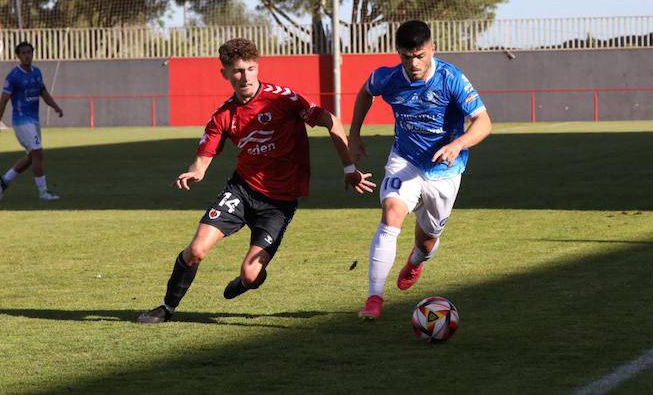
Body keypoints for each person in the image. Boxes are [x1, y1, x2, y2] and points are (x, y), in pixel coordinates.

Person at [138, 38, 375, 324]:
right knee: (197, 249)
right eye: (237, 71)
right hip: (242, 190)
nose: (246, 76)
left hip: (279, 202)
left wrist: (349, 167)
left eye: (251, 68)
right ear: (224, 73)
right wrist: (195, 171)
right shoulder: (223, 115)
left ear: (257, 66)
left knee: (250, 273)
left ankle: (248, 282)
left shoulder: (283, 99)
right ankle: (166, 308)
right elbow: (202, 161)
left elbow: (331, 121)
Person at [349, 20, 492, 321]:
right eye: (406, 56)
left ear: (432, 49)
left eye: (420, 55)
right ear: (398, 53)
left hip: (445, 171)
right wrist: (355, 134)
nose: (413, 63)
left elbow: (484, 122)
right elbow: (365, 92)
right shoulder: (387, 77)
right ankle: (374, 298)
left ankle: (416, 261)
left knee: (427, 241)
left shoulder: (450, 78)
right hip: (405, 160)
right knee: (391, 212)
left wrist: (458, 144)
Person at [0, 41, 63, 201]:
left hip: (34, 121)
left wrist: (56, 107)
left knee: (32, 157)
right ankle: (43, 192)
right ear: (18, 56)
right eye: (23, 53)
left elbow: (43, 93)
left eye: (29, 52)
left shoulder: (36, 72)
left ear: (33, 53)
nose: (27, 55)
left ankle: (5, 180)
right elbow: (3, 101)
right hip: (21, 122)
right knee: (38, 153)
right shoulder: (13, 76)